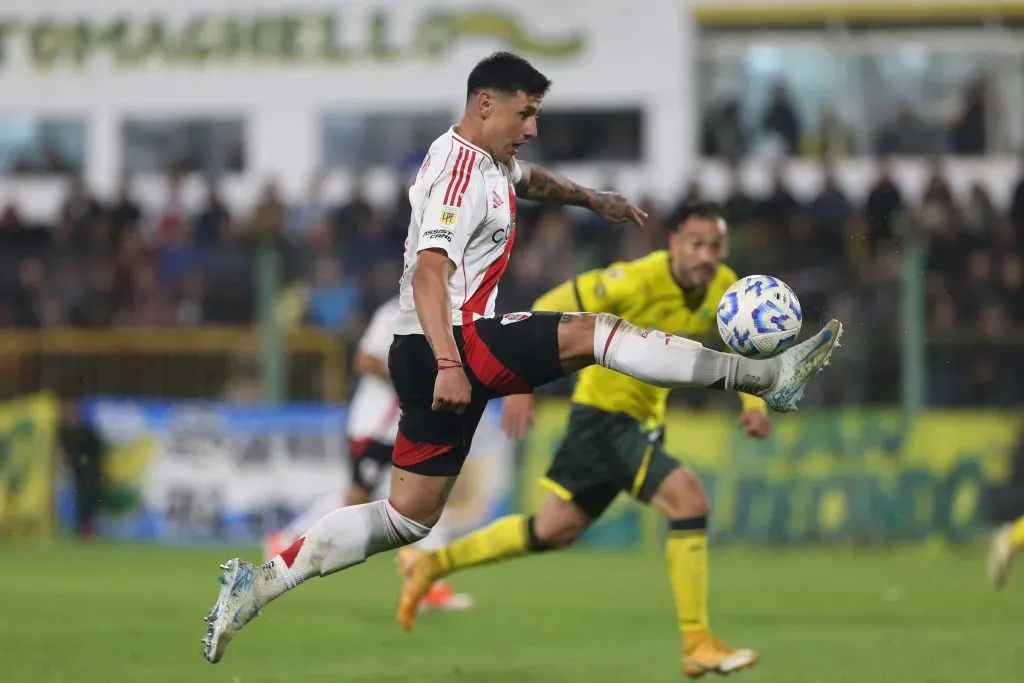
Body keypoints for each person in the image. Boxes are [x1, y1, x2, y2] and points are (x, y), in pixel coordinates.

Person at [201, 51, 842, 664]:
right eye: (525, 113)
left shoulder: (488, 162)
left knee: (406, 520)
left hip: (430, 350)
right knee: (596, 332)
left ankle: (260, 585)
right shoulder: (458, 174)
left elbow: (529, 180)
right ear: (486, 104)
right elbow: (429, 274)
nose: (532, 129)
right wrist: (452, 364)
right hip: (449, 339)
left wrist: (592, 199)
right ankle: (763, 375)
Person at [395, 203, 767, 678]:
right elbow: (550, 303)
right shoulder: (631, 280)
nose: (706, 255)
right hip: (605, 419)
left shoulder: (724, 288)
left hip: (638, 422)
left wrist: (754, 406)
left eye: (715, 245)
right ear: (673, 243)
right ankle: (697, 642)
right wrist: (520, 381)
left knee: (552, 530)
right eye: (695, 243)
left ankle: (432, 566)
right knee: (689, 501)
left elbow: (741, 350)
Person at [263, 295, 472, 612]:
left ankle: (428, 584)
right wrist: (409, 382)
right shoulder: (395, 311)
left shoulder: (444, 315)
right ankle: (288, 538)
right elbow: (366, 359)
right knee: (357, 498)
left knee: (425, 497)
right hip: (376, 427)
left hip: (404, 428)